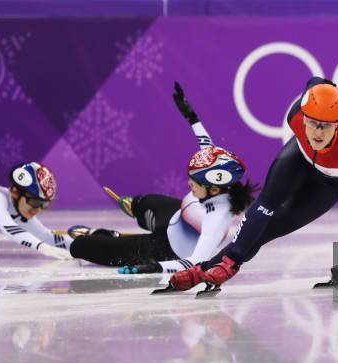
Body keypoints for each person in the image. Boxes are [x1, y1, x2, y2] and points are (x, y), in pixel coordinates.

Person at [159, 76, 338, 293]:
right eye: (312, 122)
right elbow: (314, 81)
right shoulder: (296, 114)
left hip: (331, 183)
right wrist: (327, 87)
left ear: (337, 125)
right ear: (303, 116)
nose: (317, 132)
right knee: (263, 208)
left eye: (326, 127)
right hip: (299, 157)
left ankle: (206, 269)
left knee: (271, 228)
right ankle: (225, 265)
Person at [68, 83, 256, 273]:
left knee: (81, 246)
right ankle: (135, 209)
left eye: (194, 182)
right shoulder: (216, 178)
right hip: (175, 215)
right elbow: (206, 145)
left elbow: (195, 263)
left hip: (165, 249)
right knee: (143, 201)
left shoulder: (216, 219)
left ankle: (102, 236)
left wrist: (153, 267)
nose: (189, 182)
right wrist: (192, 117)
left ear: (214, 190)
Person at [0, 162, 72, 259]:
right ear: (15, 192)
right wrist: (41, 247)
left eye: (44, 204)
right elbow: (9, 228)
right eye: (35, 202)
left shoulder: (20, 210)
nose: (38, 209)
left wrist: (78, 244)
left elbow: (45, 236)